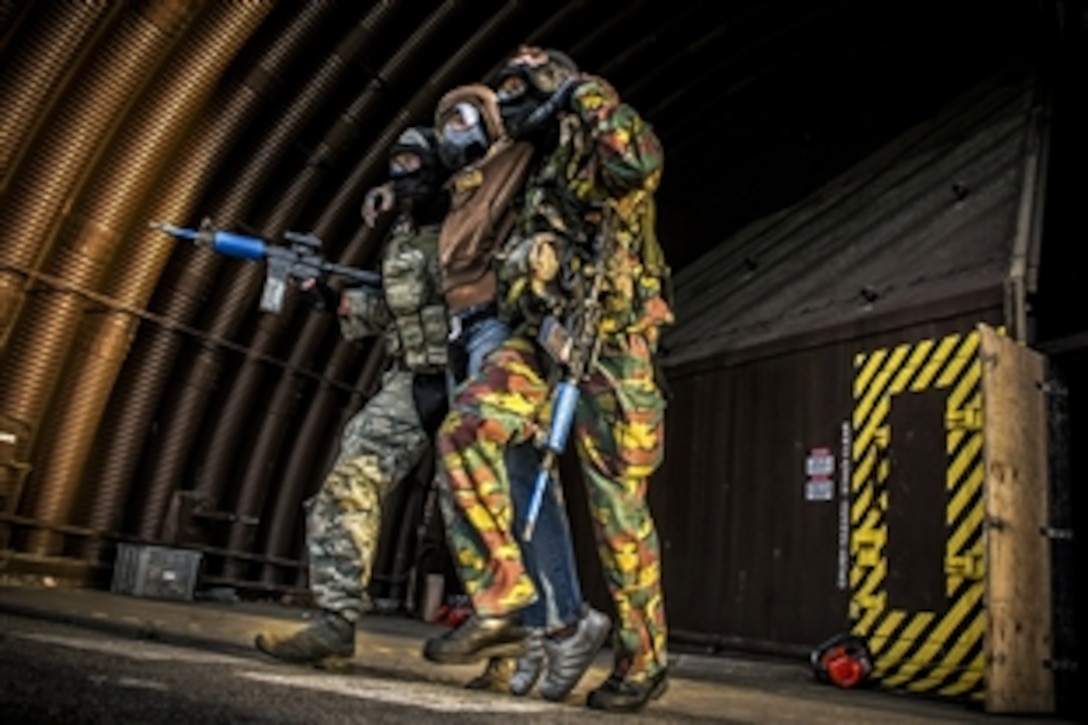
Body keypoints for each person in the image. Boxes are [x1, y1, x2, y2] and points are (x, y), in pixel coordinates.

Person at [423, 47, 674, 713]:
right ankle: (504, 602)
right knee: (467, 429)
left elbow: (639, 162)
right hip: (547, 344)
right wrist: (531, 273)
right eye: (503, 94)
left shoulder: (601, 147)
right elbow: (508, 272)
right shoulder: (535, 176)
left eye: (524, 89)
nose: (511, 104)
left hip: (616, 354)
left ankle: (642, 662)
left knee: (618, 515)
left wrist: (585, 92)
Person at [427, 82, 610, 701]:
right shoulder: (462, 189)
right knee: (511, 480)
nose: (452, 127)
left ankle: (539, 614)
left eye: (464, 115)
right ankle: (548, 629)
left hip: (503, 326)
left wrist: (542, 103)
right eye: (443, 119)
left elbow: (552, 127)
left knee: (490, 452)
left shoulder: (517, 158)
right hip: (462, 333)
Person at [254, 127, 451, 668]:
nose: (404, 173)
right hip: (411, 380)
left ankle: (510, 647)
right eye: (397, 162)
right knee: (348, 483)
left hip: (471, 381)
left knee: (478, 516)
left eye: (416, 162)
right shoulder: (401, 238)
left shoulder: (476, 219)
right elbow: (391, 311)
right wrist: (326, 297)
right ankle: (335, 623)